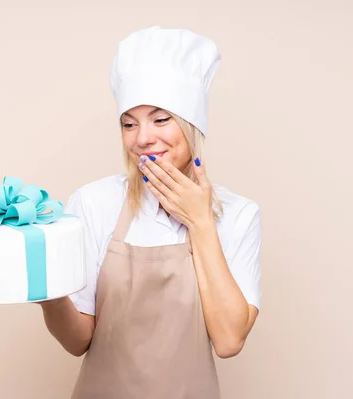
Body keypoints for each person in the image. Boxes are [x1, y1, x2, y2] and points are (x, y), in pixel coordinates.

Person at [39, 26, 262, 399]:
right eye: (129, 123)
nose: (142, 138)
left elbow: (228, 341)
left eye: (160, 120)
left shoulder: (240, 215)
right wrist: (48, 293)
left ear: (193, 126)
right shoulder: (94, 203)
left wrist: (201, 221)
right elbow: (78, 341)